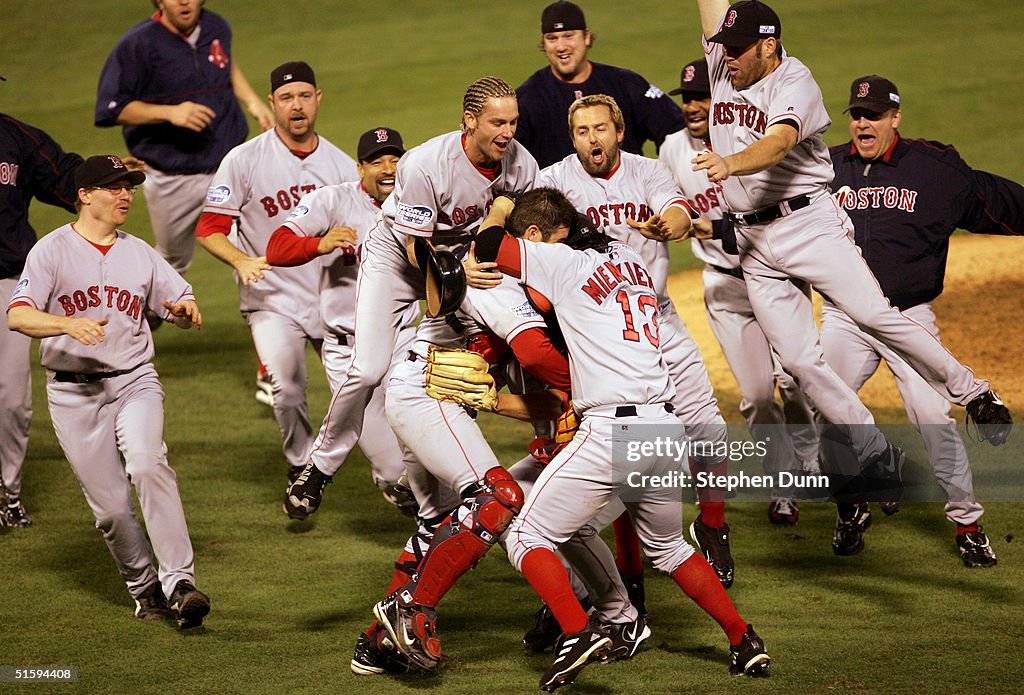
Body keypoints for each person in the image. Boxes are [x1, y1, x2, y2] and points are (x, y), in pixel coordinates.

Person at [691, 0, 1010, 508]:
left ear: (768, 46)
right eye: (724, 47)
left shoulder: (796, 82)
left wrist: (729, 163)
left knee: (873, 315)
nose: (724, 56)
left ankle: (973, 392)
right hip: (755, 244)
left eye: (737, 48)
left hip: (807, 226)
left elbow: (778, 142)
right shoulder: (725, 63)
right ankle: (872, 444)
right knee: (798, 362)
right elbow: (711, 12)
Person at [474, 188, 770, 691]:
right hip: (663, 425)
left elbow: (488, 248)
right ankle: (744, 642)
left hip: (613, 429)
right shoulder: (630, 258)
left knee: (526, 534)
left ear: (540, 235)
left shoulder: (560, 261)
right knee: (669, 548)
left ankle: (577, 629)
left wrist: (500, 206)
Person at [283, 76, 538, 520]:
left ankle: (446, 484)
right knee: (368, 369)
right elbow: (415, 248)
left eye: (513, 122)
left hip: (461, 264)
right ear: (469, 120)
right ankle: (320, 467)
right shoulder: (425, 165)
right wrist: (459, 276)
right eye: (498, 122)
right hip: (398, 261)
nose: (507, 133)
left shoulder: (522, 166)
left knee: (446, 372)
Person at [824, 75, 1024, 563]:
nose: (863, 123)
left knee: (933, 418)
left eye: (873, 114)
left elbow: (995, 203)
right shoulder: (824, 167)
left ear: (896, 117)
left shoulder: (933, 170)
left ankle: (968, 524)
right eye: (856, 114)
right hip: (844, 317)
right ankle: (852, 506)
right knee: (824, 407)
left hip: (906, 314)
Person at [539, 93, 736, 587]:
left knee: (707, 427)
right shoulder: (555, 180)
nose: (592, 140)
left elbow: (677, 211)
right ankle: (611, 576)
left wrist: (670, 223)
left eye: (601, 129)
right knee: (612, 453)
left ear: (619, 132)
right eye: (583, 132)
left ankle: (713, 527)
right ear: (573, 138)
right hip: (595, 342)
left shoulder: (647, 172)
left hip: (658, 322)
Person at [6, 155, 209, 628]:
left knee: (147, 461)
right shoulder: (51, 251)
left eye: (130, 188)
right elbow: (18, 314)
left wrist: (183, 310)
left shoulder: (139, 251)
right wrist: (65, 324)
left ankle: (180, 581)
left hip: (134, 380)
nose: (126, 196)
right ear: (84, 195)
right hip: (73, 396)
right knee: (113, 510)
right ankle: (145, 589)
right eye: (115, 187)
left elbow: (180, 294)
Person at [659, 58, 819, 525]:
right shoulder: (671, 150)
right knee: (756, 395)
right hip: (725, 284)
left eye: (702, 98)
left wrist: (709, 224)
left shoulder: (751, 137)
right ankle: (783, 482)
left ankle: (810, 460)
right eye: (686, 99)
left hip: (777, 270)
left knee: (793, 379)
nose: (692, 107)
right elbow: (667, 200)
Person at [195, 61, 358, 488]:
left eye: (305, 96)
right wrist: (241, 260)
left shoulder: (341, 166)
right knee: (285, 388)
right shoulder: (244, 160)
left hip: (330, 297)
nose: (297, 106)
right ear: (272, 104)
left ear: (318, 99)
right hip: (272, 298)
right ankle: (303, 465)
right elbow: (209, 229)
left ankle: (385, 473)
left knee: (361, 389)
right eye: (287, 98)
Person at [264, 126, 418, 512]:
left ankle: (429, 517)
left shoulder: (418, 202)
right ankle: (402, 492)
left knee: (426, 446)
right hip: (348, 347)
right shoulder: (332, 201)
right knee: (391, 469)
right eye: (377, 161)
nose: (387, 168)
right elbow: (277, 248)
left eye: (395, 159)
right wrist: (319, 243)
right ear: (359, 167)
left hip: (404, 342)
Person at [95, 0, 273, 276]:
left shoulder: (216, 26)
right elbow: (112, 108)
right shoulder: (137, 44)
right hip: (174, 178)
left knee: (256, 245)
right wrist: (170, 113)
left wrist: (252, 102)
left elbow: (223, 61)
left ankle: (269, 314)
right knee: (174, 259)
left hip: (230, 166)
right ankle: (144, 308)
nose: (183, 0)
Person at [0, 105, 84, 528]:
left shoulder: (16, 139)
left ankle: (7, 494)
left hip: (8, 282)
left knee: (12, 399)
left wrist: (105, 179)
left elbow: (64, 174)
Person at [515, 1, 684, 168]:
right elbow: (506, 158)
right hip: (559, 194)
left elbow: (675, 131)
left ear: (586, 37)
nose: (561, 46)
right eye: (552, 38)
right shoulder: (527, 98)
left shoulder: (625, 83)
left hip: (628, 192)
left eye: (568, 36)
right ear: (544, 44)